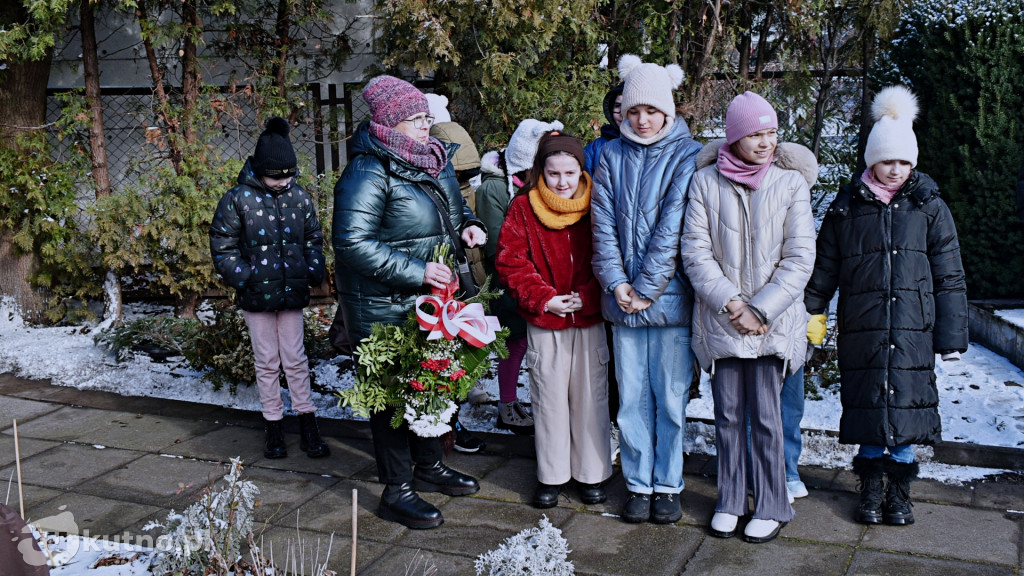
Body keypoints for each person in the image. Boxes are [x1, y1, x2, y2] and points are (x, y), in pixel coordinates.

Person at [804, 85, 968, 527]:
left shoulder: (929, 208)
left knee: (907, 412)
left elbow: (949, 275)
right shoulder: (847, 208)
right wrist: (813, 311)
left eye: (902, 162)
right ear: (871, 160)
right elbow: (826, 265)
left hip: (913, 329)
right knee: (869, 408)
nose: (894, 170)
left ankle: (900, 493)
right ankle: (870, 491)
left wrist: (951, 336)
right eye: (886, 160)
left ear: (912, 163)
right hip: (865, 327)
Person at [332, 75, 487, 530]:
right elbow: (351, 242)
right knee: (392, 398)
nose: (426, 125)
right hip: (382, 307)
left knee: (432, 383)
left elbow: (452, 208)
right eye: (416, 119)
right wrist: (418, 271)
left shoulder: (432, 159)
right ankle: (396, 490)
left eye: (426, 117)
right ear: (390, 122)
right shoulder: (367, 170)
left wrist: (468, 226)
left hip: (432, 302)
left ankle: (430, 466)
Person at [681, 91, 816, 543]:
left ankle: (774, 504)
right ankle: (732, 498)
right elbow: (695, 252)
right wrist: (733, 304)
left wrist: (760, 308)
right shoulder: (705, 184)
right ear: (735, 136)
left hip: (772, 321)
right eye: (755, 133)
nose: (765, 142)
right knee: (728, 414)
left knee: (767, 416)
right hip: (723, 319)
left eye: (771, 132)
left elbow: (799, 257)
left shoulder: (790, 184)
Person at [590, 54, 702, 524]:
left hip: (670, 302)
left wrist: (648, 288)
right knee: (631, 398)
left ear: (669, 111)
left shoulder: (687, 155)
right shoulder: (611, 155)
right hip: (623, 304)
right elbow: (602, 227)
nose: (642, 119)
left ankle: (669, 484)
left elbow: (676, 228)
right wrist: (617, 283)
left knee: (670, 399)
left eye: (651, 111)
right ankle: (638, 483)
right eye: (634, 110)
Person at [496, 130, 611, 508]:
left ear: (582, 171)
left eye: (570, 173)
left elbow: (612, 258)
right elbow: (511, 261)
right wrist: (545, 299)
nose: (562, 183)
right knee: (549, 399)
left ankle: (591, 473)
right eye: (553, 174)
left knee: (590, 398)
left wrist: (588, 297)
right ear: (539, 172)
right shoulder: (523, 209)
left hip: (588, 318)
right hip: (546, 319)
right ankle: (552, 475)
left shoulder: (599, 203)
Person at [210, 116, 330, 461]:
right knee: (266, 361)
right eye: (276, 177)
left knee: (295, 359)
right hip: (256, 295)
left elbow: (313, 237)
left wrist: (313, 266)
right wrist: (243, 275)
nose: (283, 183)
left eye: (289, 176)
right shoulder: (237, 199)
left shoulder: (300, 198)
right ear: (259, 170)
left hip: (291, 292)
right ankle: (274, 425)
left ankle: (308, 423)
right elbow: (223, 242)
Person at [473, 119, 565, 435]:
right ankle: (507, 405)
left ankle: (536, 403)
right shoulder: (495, 189)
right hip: (510, 279)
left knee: (535, 343)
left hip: (544, 278)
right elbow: (497, 242)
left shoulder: (540, 187)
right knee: (514, 341)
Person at [426, 93, 487, 453]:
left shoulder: (457, 186)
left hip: (459, 282)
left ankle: (451, 422)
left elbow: (464, 214)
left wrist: (471, 223)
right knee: (433, 360)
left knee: (457, 357)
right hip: (429, 283)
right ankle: (439, 428)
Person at [583, 82, 623, 175]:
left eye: (629, 107)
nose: (622, 113)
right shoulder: (593, 151)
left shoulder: (658, 148)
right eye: (617, 106)